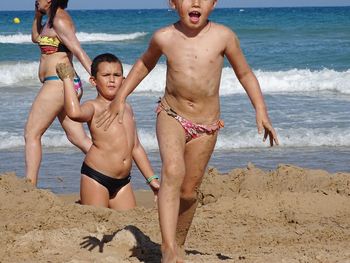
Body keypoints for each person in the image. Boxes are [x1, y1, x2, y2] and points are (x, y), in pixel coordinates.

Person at [97, 0, 279, 261]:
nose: (195, 2)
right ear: (173, 3)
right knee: (172, 171)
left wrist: (260, 110)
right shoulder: (164, 37)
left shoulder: (224, 36)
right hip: (172, 114)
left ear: (214, 3)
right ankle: (168, 246)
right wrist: (120, 97)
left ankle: (179, 241)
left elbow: (245, 74)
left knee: (189, 192)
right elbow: (143, 65)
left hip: (206, 125)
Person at [56, 53, 160, 210]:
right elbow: (74, 113)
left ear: (124, 81)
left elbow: (136, 147)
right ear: (94, 81)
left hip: (123, 181)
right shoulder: (94, 106)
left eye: (117, 75)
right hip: (96, 177)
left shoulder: (128, 109)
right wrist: (67, 79)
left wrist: (152, 180)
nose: (112, 80)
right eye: (105, 75)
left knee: (127, 224)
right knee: (97, 224)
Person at [25, 0, 92, 186]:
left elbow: (78, 51)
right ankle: (110, 166)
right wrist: (38, 15)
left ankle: (29, 187)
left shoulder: (61, 20)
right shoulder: (49, 20)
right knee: (77, 137)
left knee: (31, 133)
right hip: (63, 83)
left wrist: (95, 76)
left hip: (59, 83)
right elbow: (35, 37)